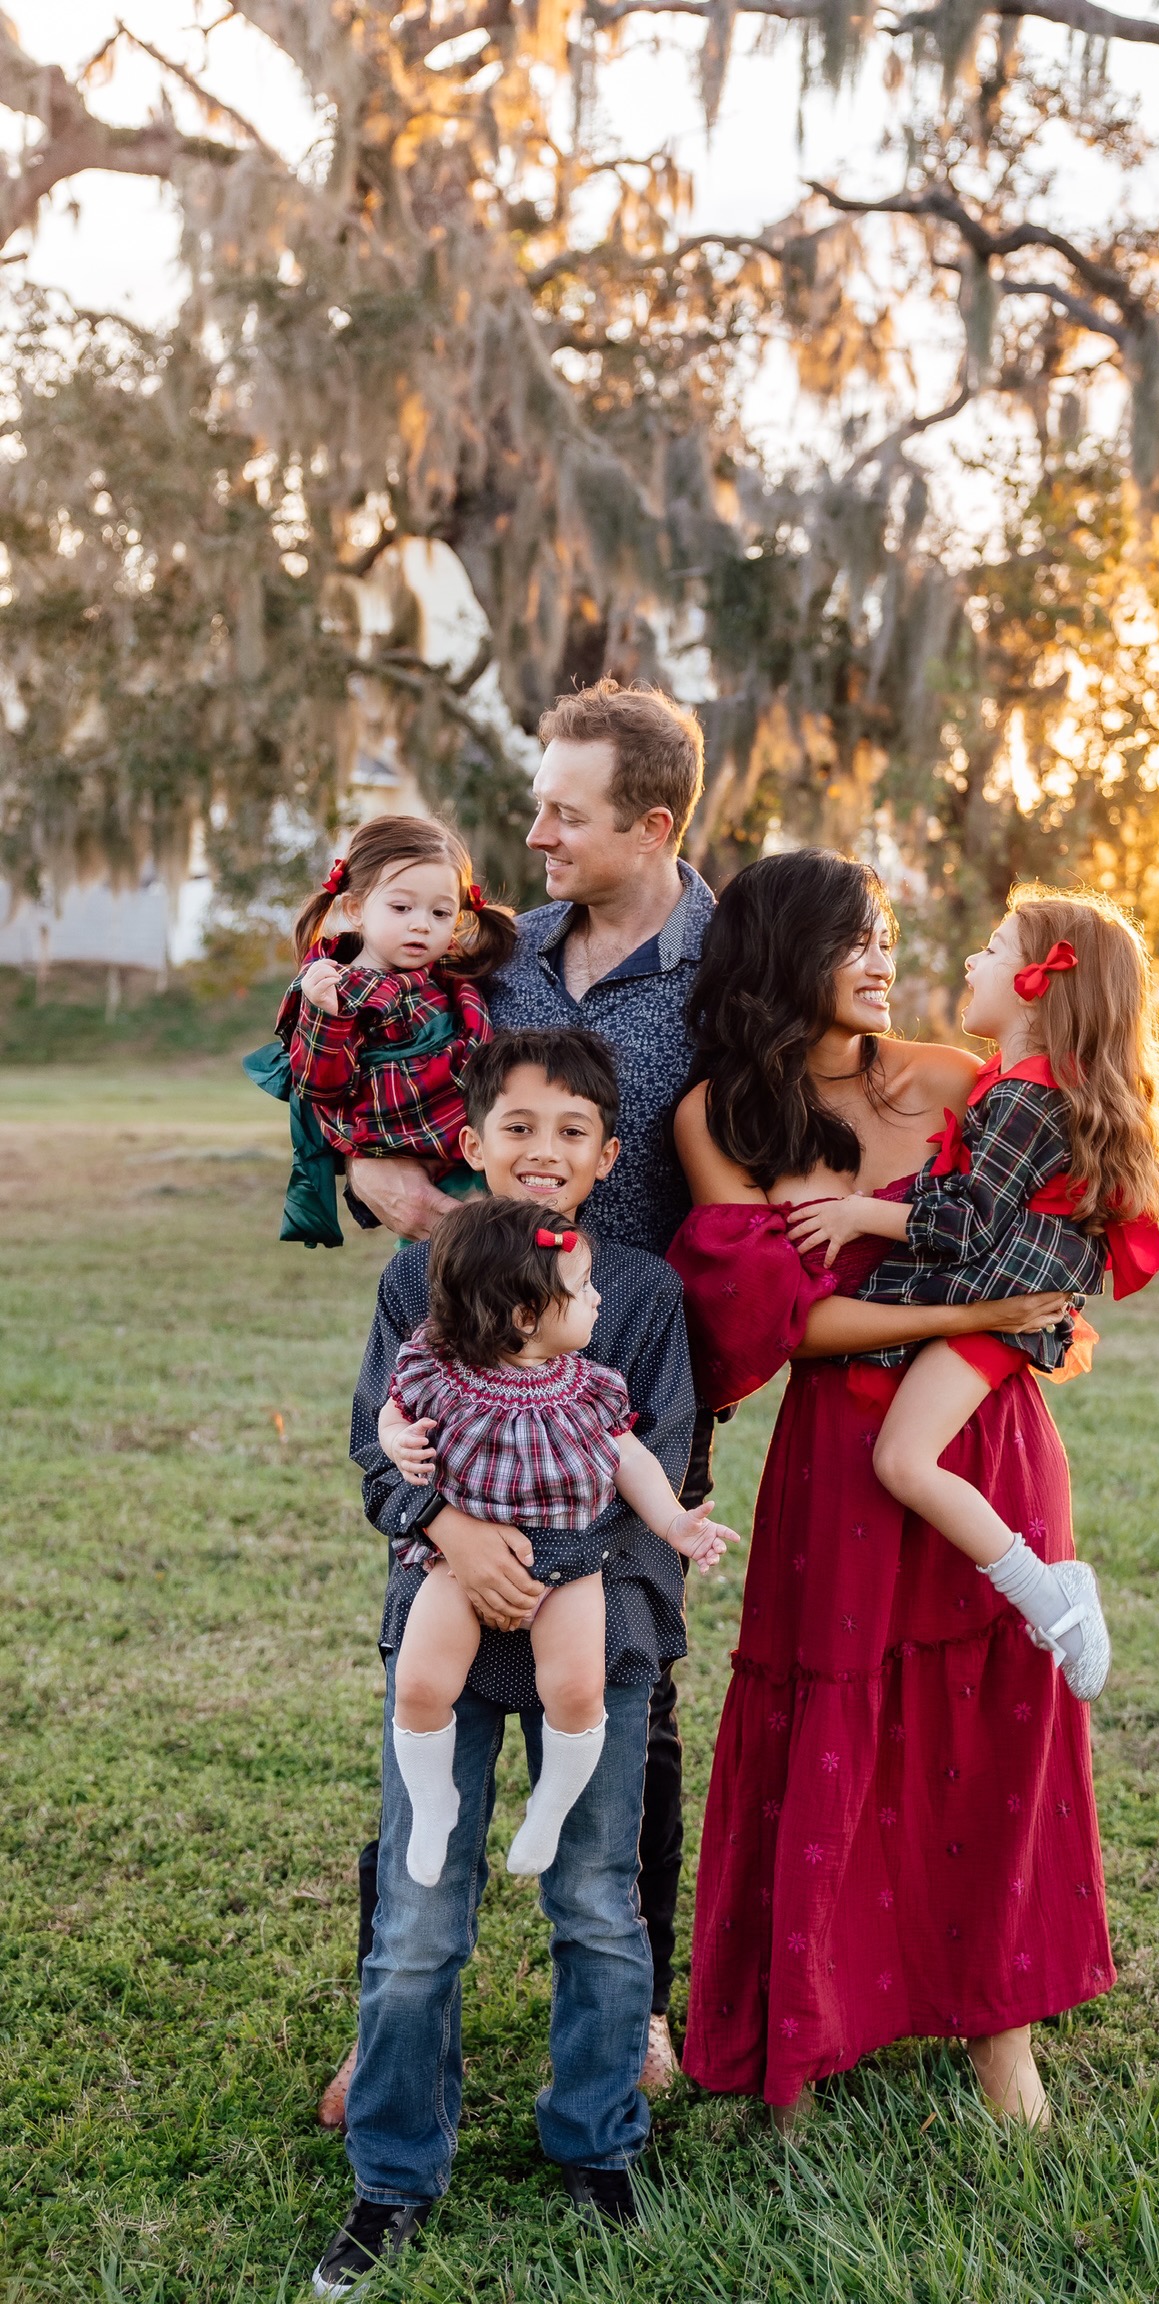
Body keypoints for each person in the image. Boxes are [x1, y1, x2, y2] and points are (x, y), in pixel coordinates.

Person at [668, 850, 1115, 2129]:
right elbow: (787, 1323)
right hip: (847, 1460)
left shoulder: (958, 1078)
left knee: (992, 1730)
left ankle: (1001, 2043)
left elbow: (1058, 1238)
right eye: (853, 938)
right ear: (780, 957)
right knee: (831, 1728)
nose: (883, 959)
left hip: (983, 1435)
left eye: (890, 936)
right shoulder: (720, 1119)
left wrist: (1003, 1309)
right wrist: (990, 1304)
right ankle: (805, 2043)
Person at [335, 680, 715, 2105]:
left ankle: (637, 2007)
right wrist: (357, 1165)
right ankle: (388, 2011)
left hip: (635, 1345)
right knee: (428, 1682)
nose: (536, 832)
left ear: (652, 824)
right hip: (469, 1333)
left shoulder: (728, 967)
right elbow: (365, 1024)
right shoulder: (499, 950)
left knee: (629, 1697)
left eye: (566, 810)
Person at [311, 1029, 697, 2296]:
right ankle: (394, 2173)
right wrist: (455, 1537)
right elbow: (385, 1453)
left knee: (595, 1898)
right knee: (423, 1917)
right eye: (518, 1127)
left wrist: (534, 1561)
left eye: (572, 1131)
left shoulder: (639, 1293)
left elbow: (660, 1466)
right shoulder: (418, 1281)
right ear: (472, 1143)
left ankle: (595, 2142)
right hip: (443, 1616)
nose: (544, 1152)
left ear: (606, 1157)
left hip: (602, 1625)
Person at [784, 891, 1159, 1702]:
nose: (974, 961)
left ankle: (1054, 1596)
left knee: (902, 1458)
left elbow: (966, 1223)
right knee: (903, 1453)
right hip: (1008, 1295)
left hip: (1002, 1302)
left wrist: (863, 1212)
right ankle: (1050, 1596)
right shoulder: (1029, 1086)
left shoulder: (1020, 1099)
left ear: (1042, 984)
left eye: (995, 950)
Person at [378, 1196, 736, 1885]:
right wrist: (399, 1441)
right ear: (523, 1316)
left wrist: (674, 1523)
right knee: (420, 1684)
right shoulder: (438, 1368)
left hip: (571, 1562)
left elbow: (630, 1457)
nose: (599, 1299)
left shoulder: (591, 1388)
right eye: (582, 1289)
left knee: (576, 1689)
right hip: (459, 1561)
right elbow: (392, 1409)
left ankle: (552, 1804)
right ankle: (432, 1802)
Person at [245, 815, 516, 1249]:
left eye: (440, 912)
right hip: (410, 1150)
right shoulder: (337, 988)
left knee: (502, 1249)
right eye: (401, 907)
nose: (421, 924)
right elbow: (320, 1085)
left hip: (469, 1144)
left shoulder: (441, 977)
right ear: (356, 909)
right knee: (448, 1262)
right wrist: (325, 1015)